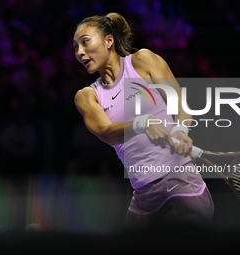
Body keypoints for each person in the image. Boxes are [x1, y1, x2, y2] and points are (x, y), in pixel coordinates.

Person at [73, 12, 214, 228]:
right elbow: (106, 131)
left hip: (182, 184)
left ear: (109, 40)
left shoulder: (143, 61)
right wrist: (142, 124)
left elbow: (181, 106)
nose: (80, 52)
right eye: (75, 47)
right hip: (144, 196)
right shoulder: (87, 96)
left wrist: (180, 131)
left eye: (85, 42)